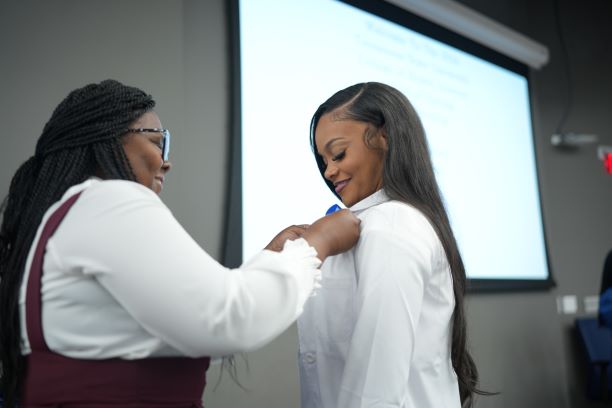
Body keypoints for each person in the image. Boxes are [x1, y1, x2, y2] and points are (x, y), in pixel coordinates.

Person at [0, 79, 361, 408]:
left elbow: (181, 324)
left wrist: (269, 258)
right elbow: (226, 320)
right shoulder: (107, 200)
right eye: (157, 141)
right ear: (106, 138)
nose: (166, 161)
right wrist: (317, 243)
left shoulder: (69, 215)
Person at [297, 82, 484, 408]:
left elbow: (374, 389)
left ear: (384, 136)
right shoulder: (372, 224)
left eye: (338, 153)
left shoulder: (392, 227)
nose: (329, 171)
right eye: (323, 160)